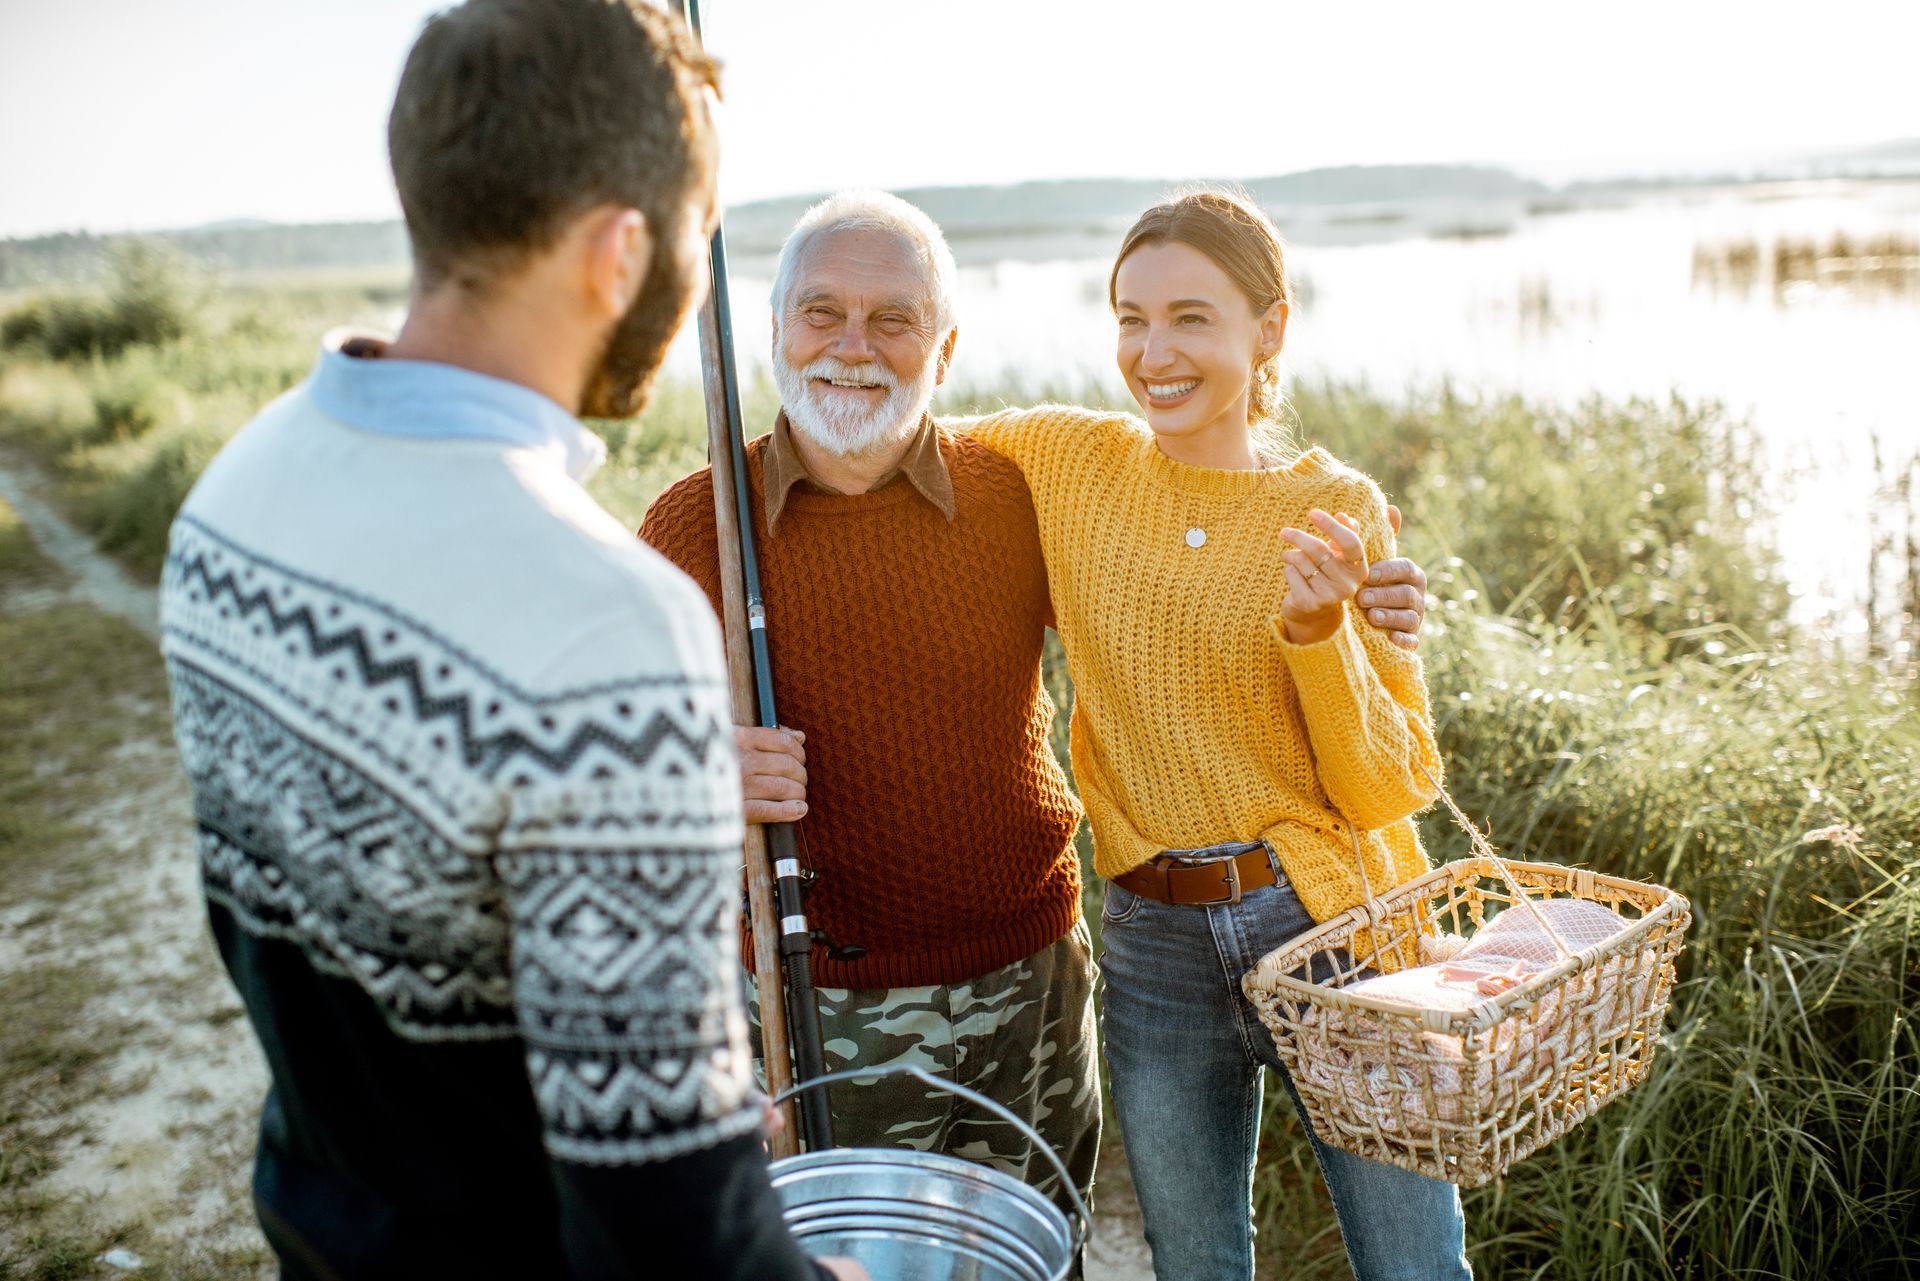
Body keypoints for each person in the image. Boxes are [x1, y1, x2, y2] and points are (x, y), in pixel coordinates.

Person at [158, 3, 860, 1277]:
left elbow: (360, 996)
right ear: (618, 252)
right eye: (697, 246)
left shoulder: (235, 493)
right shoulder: (604, 625)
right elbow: (669, 1238)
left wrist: (664, 1090)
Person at [637, 190, 1432, 1229]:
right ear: (776, 328)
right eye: (821, 312)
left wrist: (1362, 609)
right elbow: (599, 765)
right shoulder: (698, 524)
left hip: (1036, 984)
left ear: (947, 346)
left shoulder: (1015, 488)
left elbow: (1186, 571)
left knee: (1040, 1248)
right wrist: (697, 769)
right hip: (817, 1006)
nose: (853, 347)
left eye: (895, 320)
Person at [963, 190, 1473, 1280]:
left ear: (1270, 328)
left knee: (1413, 1265)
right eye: (1130, 318)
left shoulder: (1335, 504)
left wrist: (1315, 633)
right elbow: (893, 436)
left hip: (1332, 926)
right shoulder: (1065, 462)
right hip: (1152, 939)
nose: (1154, 352)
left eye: (1191, 317)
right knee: (1194, 1267)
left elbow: (1395, 782)